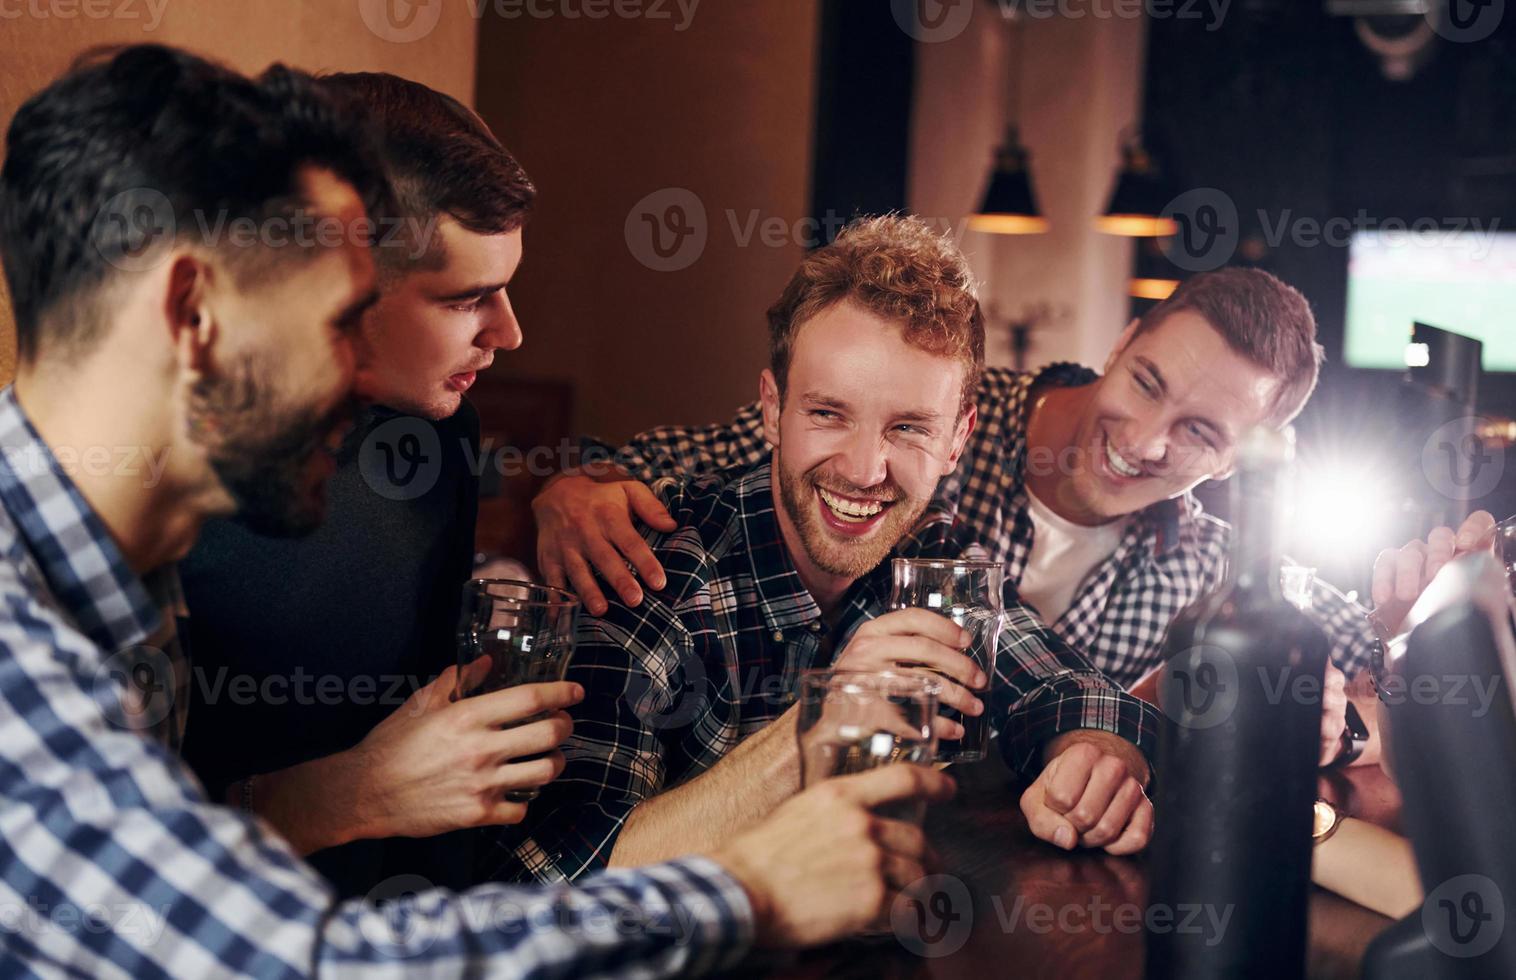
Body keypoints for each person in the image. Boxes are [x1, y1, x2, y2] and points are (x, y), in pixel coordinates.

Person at [0, 44, 952, 975]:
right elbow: (301, 955)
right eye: (335, 318)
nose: (354, 379)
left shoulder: (110, 586)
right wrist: (746, 889)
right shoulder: (18, 650)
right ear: (193, 316)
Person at [534, 265, 1495, 768]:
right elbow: (685, 468)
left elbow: (1362, 651)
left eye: (1201, 433)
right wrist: (571, 487)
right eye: (1148, 381)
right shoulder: (932, 409)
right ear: (1122, 340)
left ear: (1247, 453)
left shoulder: (1220, 562)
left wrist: (1399, 635)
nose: (1147, 439)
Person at [488, 215, 1163, 886]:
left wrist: (1093, 754)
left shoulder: (934, 555)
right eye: (828, 414)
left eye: (908, 427)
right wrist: (812, 727)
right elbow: (554, 878)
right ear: (771, 408)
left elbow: (1068, 688)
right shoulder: (654, 567)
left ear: (958, 439)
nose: (867, 470)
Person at [180, 71, 539, 898]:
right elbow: (74, 861)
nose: (511, 334)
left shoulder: (440, 426)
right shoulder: (146, 479)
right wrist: (355, 795)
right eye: (468, 300)